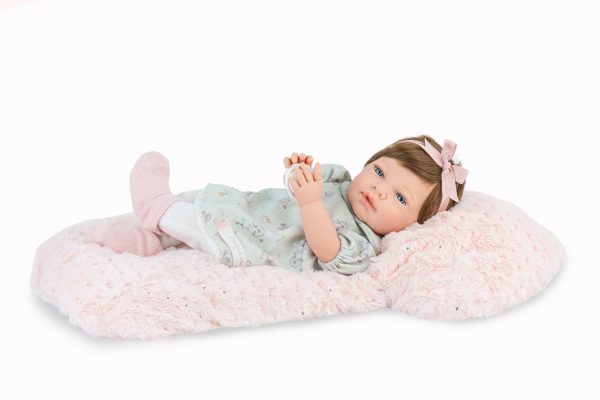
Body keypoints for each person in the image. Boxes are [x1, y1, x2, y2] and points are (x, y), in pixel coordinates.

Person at [85, 134, 468, 275]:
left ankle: (155, 206)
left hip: (253, 241)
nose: (379, 190)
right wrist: (298, 173)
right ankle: (148, 240)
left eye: (400, 198)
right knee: (197, 208)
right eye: (380, 172)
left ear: (413, 226)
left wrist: (312, 204)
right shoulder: (340, 179)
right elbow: (298, 187)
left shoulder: (362, 243)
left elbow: (327, 251)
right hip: (250, 209)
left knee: (199, 225)